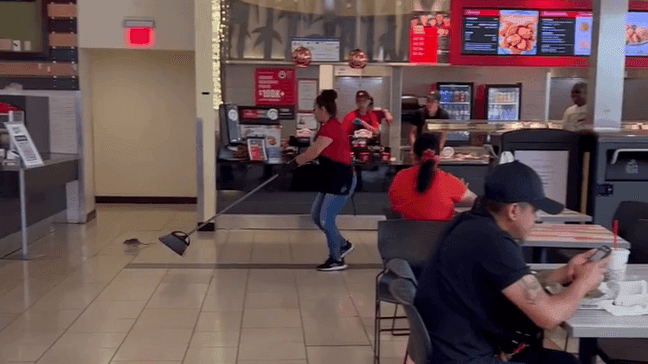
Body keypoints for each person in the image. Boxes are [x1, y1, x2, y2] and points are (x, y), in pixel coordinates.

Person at [415, 160, 610, 364]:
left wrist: (563, 273)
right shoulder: (493, 242)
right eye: (534, 211)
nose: (536, 219)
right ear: (514, 210)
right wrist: (583, 283)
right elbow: (549, 317)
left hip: (451, 351)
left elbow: (512, 282)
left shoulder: (470, 224)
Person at [295, 90, 356, 272]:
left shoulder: (332, 128)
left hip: (342, 178)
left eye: (315, 109)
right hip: (330, 177)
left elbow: (314, 151)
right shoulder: (325, 126)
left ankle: (336, 258)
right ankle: (342, 244)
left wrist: (296, 161)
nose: (313, 112)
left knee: (326, 218)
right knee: (316, 216)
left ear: (322, 109)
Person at [389, 133, 477, 220]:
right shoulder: (448, 181)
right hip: (441, 233)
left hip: (404, 233)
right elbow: (474, 201)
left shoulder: (400, 177)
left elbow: (393, 202)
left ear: (414, 156)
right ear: (438, 157)